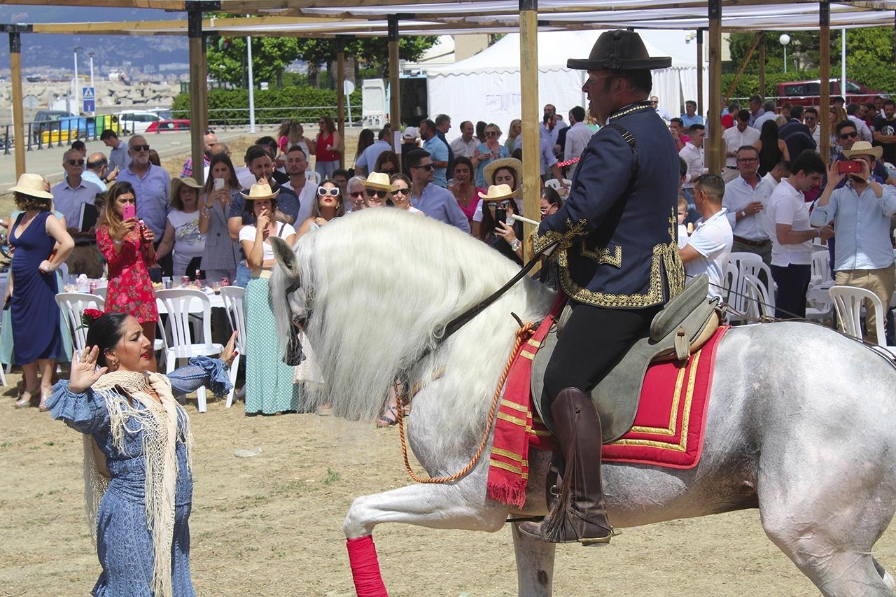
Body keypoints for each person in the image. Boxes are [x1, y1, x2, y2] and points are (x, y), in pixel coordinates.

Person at [519, 30, 683, 546]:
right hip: (656, 273)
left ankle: (586, 508)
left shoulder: (617, 137)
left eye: (592, 81)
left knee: (564, 376)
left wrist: (544, 236)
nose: (586, 90)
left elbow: (584, 213)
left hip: (621, 283)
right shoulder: (656, 129)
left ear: (616, 84)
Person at [47, 312, 236, 597]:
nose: (147, 341)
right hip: (133, 519)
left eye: (143, 334)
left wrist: (220, 363)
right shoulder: (104, 399)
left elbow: (188, 377)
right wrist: (75, 389)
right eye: (135, 338)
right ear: (111, 354)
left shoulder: (156, 384)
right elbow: (80, 416)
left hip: (172, 519)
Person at [810, 142, 896, 344]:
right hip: (847, 270)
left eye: (863, 162)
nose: (857, 166)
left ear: (873, 165)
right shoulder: (837, 195)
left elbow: (892, 208)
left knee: (878, 330)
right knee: (847, 333)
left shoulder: (884, 190)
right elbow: (817, 220)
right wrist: (830, 185)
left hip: (879, 269)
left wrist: (869, 180)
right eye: (854, 163)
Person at [8, 173, 74, 409]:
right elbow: (16, 252)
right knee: (23, 334)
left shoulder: (47, 219)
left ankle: (46, 387)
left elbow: (68, 243)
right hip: (21, 286)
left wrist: (52, 265)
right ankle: (30, 385)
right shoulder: (19, 219)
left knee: (44, 333)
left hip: (40, 283)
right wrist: (12, 283)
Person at [238, 181, 300, 414]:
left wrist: (268, 262)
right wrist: (258, 233)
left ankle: (286, 400)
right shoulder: (247, 231)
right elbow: (254, 262)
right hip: (257, 289)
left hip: (282, 287)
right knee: (260, 345)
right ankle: (262, 401)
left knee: (284, 341)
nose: (262, 207)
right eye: (257, 204)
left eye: (265, 202)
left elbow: (290, 261)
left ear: (273, 204)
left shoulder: (287, 230)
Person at [96, 181, 160, 372]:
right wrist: (118, 237)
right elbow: (111, 259)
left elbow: (150, 260)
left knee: (147, 345)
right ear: (113, 203)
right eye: (123, 200)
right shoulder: (104, 229)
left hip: (142, 292)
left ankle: (152, 387)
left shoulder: (139, 224)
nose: (127, 205)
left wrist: (150, 243)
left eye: (131, 201)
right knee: (121, 346)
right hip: (120, 293)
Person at [767, 151, 834, 320]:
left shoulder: (793, 194)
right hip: (790, 264)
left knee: (796, 320)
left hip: (797, 263)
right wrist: (817, 232)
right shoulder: (786, 196)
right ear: (801, 173)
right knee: (787, 321)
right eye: (814, 178)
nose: (816, 184)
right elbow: (784, 236)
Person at [678, 174, 733, 299]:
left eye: (694, 193)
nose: (692, 197)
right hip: (694, 299)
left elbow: (679, 258)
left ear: (702, 195)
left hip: (704, 302)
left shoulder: (715, 228)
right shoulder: (704, 223)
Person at [53, 148, 105, 278]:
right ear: (64, 166)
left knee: (94, 288)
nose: (77, 165)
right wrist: (65, 230)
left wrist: (96, 227)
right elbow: (51, 220)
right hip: (66, 250)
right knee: (68, 288)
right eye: (72, 162)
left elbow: (104, 214)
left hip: (90, 248)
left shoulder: (95, 189)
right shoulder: (55, 192)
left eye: (80, 162)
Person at [723, 146, 773, 263]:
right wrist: (744, 212)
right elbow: (722, 220)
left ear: (758, 162)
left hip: (766, 247)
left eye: (751, 160)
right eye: (743, 160)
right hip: (741, 246)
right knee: (739, 281)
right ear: (737, 163)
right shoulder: (729, 189)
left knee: (766, 281)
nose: (747, 163)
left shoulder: (769, 186)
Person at [198, 152, 242, 285]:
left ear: (230, 172)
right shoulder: (205, 196)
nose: (220, 173)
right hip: (215, 254)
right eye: (216, 170)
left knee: (237, 295)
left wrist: (231, 202)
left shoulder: (241, 193)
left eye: (224, 169)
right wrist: (207, 206)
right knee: (216, 297)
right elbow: (202, 229)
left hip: (236, 252)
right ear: (212, 173)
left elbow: (242, 224)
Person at [406, 149, 471, 233]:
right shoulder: (403, 197)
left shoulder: (445, 196)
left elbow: (463, 226)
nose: (432, 169)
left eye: (433, 165)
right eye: (427, 167)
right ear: (413, 171)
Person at [157, 177, 205, 278]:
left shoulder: (205, 212)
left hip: (206, 264)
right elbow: (166, 242)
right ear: (179, 196)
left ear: (196, 194)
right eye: (183, 192)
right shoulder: (173, 216)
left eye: (190, 191)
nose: (187, 194)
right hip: (181, 266)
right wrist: (155, 257)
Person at [472, 157, 523, 240]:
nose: (503, 182)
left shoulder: (521, 202)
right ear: (494, 182)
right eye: (499, 179)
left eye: (507, 178)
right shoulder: (483, 202)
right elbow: (476, 234)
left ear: (514, 180)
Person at [478, 184, 524, 265]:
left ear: (512, 205)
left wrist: (513, 240)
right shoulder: (487, 231)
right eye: (493, 205)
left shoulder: (523, 227)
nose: (499, 208)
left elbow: (530, 259)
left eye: (504, 203)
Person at [721, 110, 761, 183]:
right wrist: (732, 154)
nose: (742, 127)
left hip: (748, 171)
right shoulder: (728, 133)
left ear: (748, 121)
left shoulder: (756, 133)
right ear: (737, 120)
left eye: (744, 125)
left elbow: (757, 153)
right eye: (740, 124)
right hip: (731, 170)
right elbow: (721, 152)